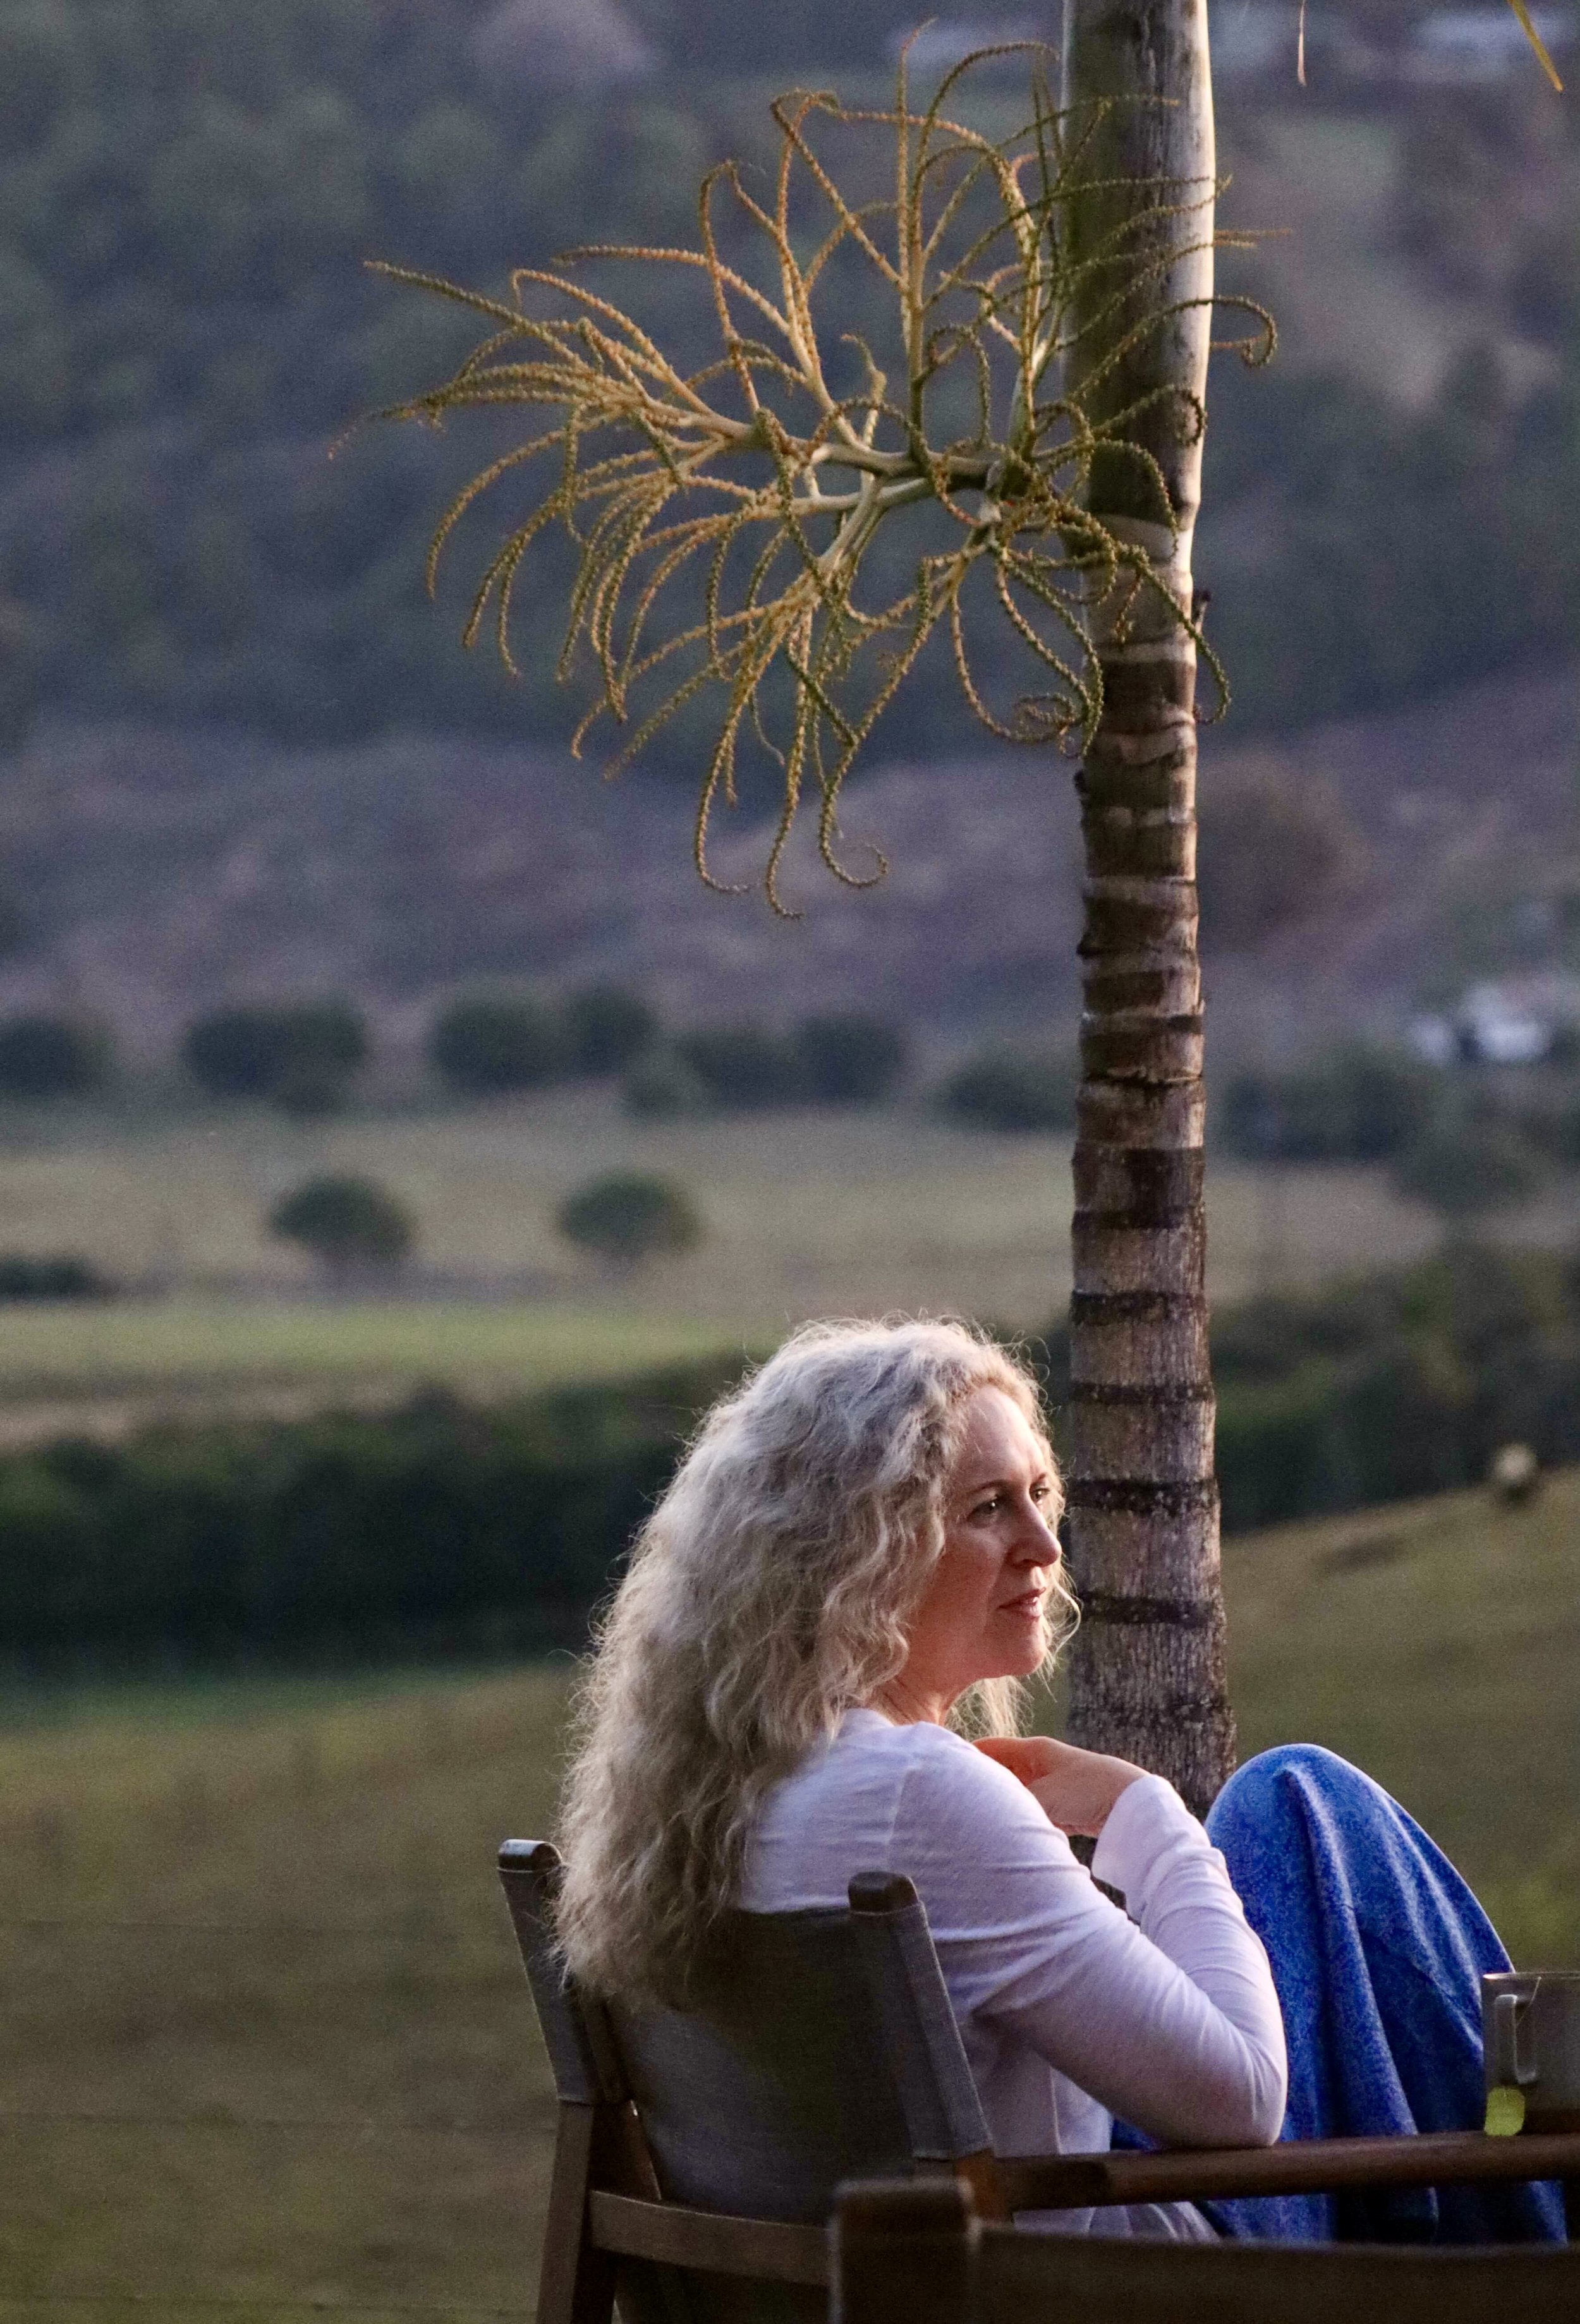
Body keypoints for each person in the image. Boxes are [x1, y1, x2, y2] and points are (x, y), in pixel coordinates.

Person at [554, 1317, 1564, 2244]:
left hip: (861, 2284)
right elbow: (1246, 2096)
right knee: (1300, 1806)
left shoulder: (699, 1805)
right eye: (988, 1508)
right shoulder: (918, 1794)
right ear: (854, 1551)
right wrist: (1143, 1813)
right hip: (1101, 2283)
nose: (1044, 1547)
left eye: (1040, 1495)